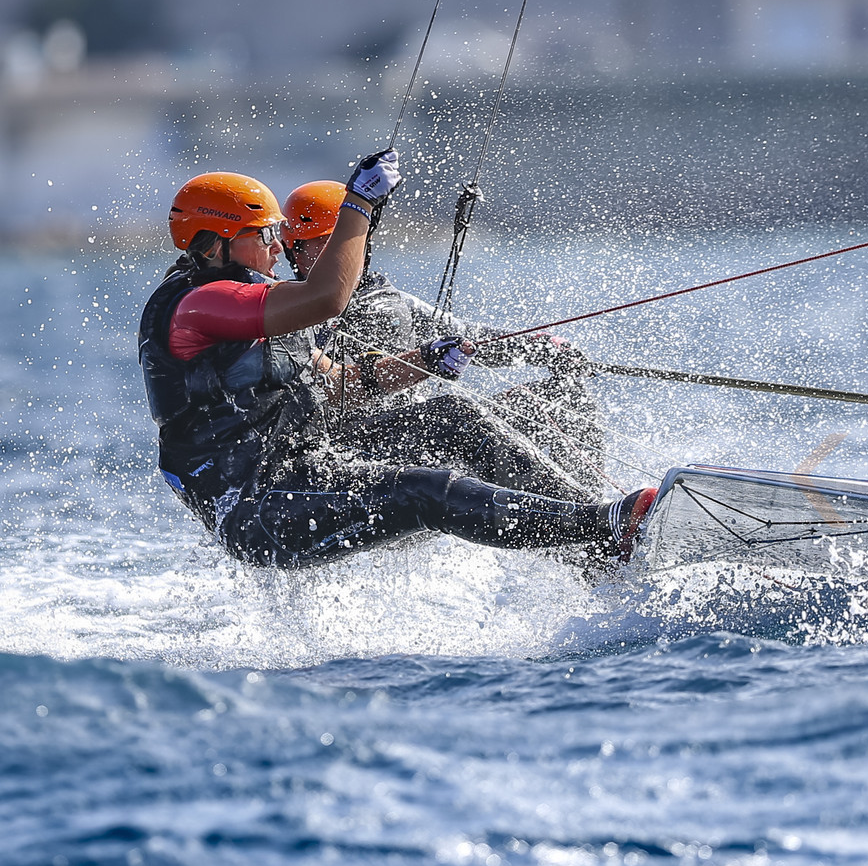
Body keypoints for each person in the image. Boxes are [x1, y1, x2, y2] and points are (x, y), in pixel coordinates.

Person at [138, 150, 654, 568]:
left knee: (452, 417)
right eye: (266, 236)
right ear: (212, 244)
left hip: (304, 465)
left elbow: (344, 387)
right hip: (257, 509)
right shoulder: (199, 304)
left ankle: (598, 529)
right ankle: (599, 531)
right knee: (425, 492)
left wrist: (426, 361)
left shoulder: (256, 305)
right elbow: (327, 299)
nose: (279, 249)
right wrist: (359, 205)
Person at [281, 180, 604, 496]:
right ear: (292, 250)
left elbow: (465, 336)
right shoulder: (285, 311)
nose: (340, 253)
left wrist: (536, 346)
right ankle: (592, 527)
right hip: (357, 454)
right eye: (322, 243)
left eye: (348, 241)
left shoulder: (391, 299)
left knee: (565, 393)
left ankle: (596, 512)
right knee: (456, 414)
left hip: (424, 433)